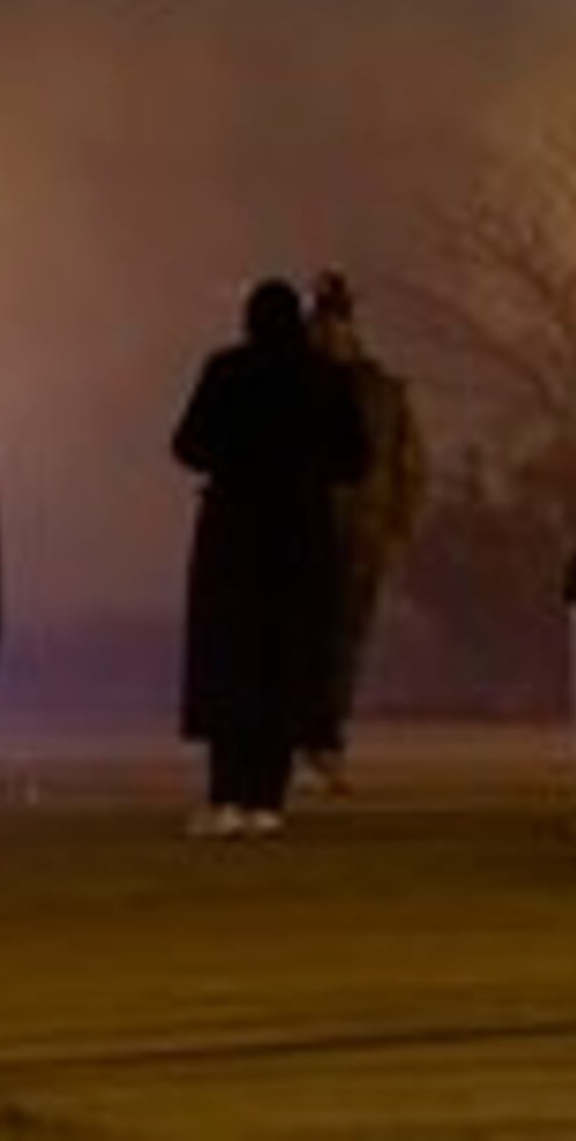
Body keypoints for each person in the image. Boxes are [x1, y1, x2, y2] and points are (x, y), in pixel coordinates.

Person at [173, 277, 368, 836]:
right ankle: (267, 801)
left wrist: (235, 459)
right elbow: (355, 459)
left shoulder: (225, 370)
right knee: (287, 663)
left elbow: (187, 445)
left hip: (233, 536)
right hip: (302, 536)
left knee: (231, 663)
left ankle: (226, 795)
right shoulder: (325, 378)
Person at [302, 270, 426, 794]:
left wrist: (398, 527)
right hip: (319, 532)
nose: (329, 331)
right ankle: (316, 736)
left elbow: (410, 465)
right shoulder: (367, 390)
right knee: (320, 639)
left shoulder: (383, 392)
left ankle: (325, 736)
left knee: (341, 640)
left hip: (355, 535)